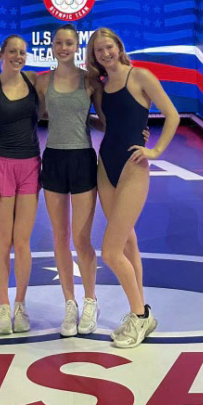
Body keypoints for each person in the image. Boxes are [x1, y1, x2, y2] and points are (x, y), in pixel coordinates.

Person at [86, 26, 180, 349]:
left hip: (133, 167)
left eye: (109, 47)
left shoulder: (140, 77)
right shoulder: (100, 86)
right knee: (127, 244)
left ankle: (141, 316)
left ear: (119, 46)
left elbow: (172, 116)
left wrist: (154, 150)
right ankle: (137, 312)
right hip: (105, 166)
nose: (105, 54)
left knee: (110, 251)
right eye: (99, 51)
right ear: (94, 56)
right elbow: (106, 124)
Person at [36, 24, 104, 337]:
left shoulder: (90, 79)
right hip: (53, 159)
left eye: (69, 43)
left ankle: (90, 300)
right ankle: (70, 303)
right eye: (59, 42)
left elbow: (105, 120)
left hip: (82, 160)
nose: (64, 47)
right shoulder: (42, 81)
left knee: (81, 238)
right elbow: (32, 116)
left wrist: (137, 133)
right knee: (60, 235)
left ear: (77, 46)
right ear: (52, 46)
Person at [0, 34, 40, 335]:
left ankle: (20, 304)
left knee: (23, 242)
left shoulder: (32, 81)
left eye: (22, 52)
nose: (18, 56)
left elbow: (68, 90)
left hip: (31, 167)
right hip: (2, 167)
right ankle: (3, 305)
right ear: (1, 55)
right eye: (12, 51)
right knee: (4, 241)